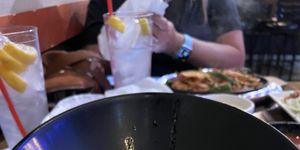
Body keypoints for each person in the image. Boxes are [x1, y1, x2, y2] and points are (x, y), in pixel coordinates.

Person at [70, 0, 245, 75]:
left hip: (200, 102)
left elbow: (236, 60)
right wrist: (118, 49)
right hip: (124, 102)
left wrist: (178, 45)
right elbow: (91, 55)